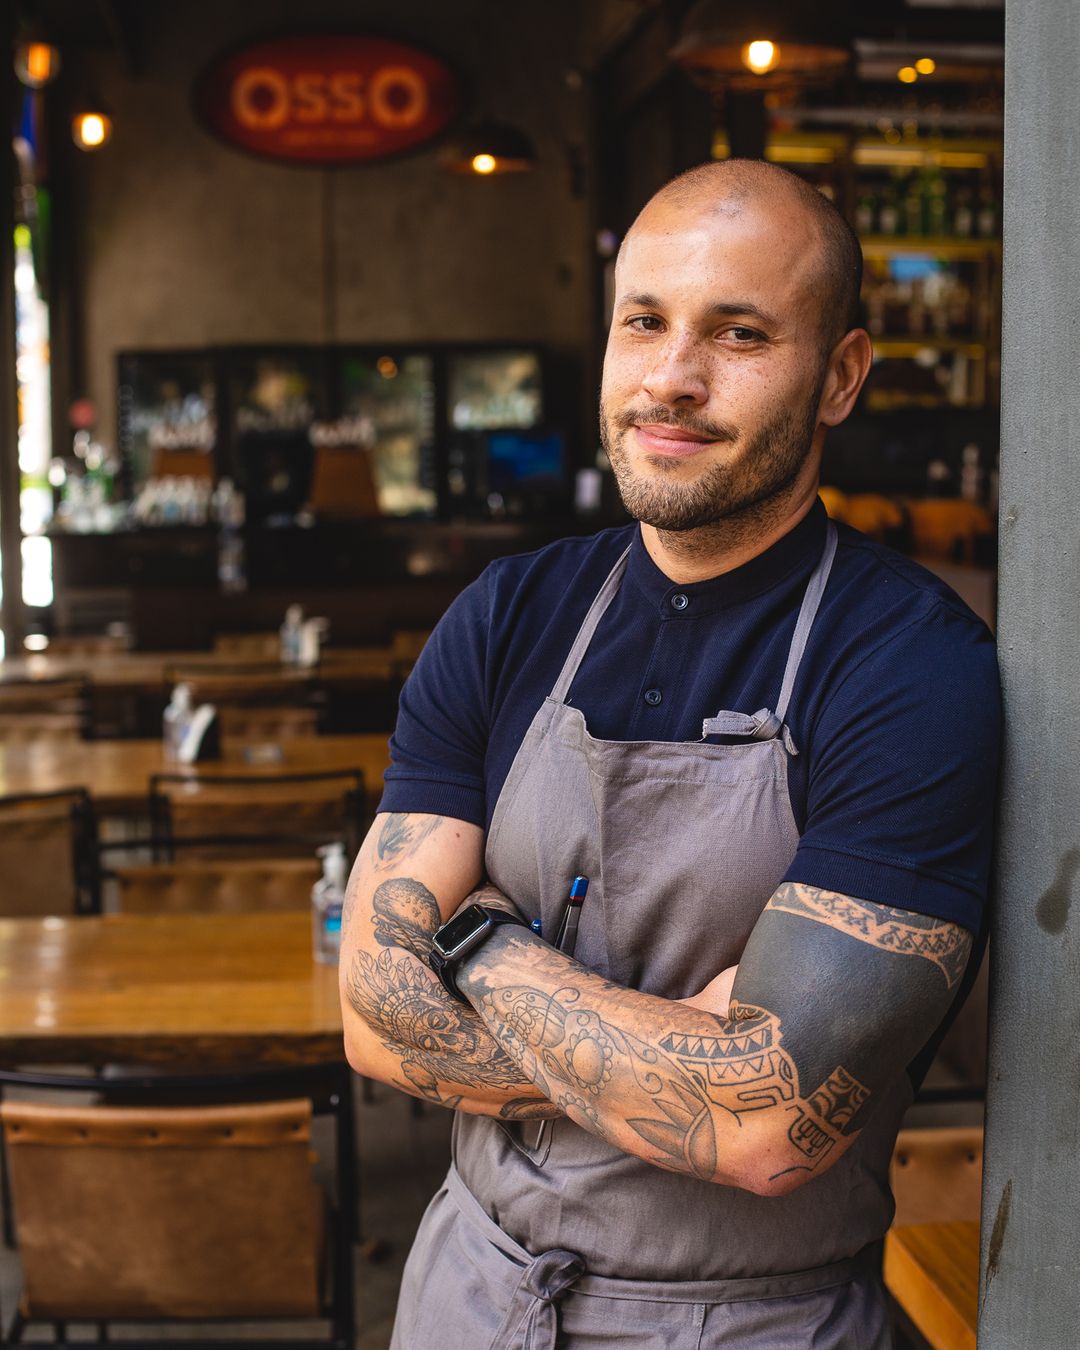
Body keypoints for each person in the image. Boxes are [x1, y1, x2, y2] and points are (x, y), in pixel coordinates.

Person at [339, 159, 1001, 1349]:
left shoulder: (911, 665)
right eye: (644, 321)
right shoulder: (508, 615)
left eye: (739, 334)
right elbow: (373, 1018)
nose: (672, 378)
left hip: (755, 1321)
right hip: (468, 1296)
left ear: (840, 376)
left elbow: (768, 1127)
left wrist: (476, 941)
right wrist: (691, 1052)